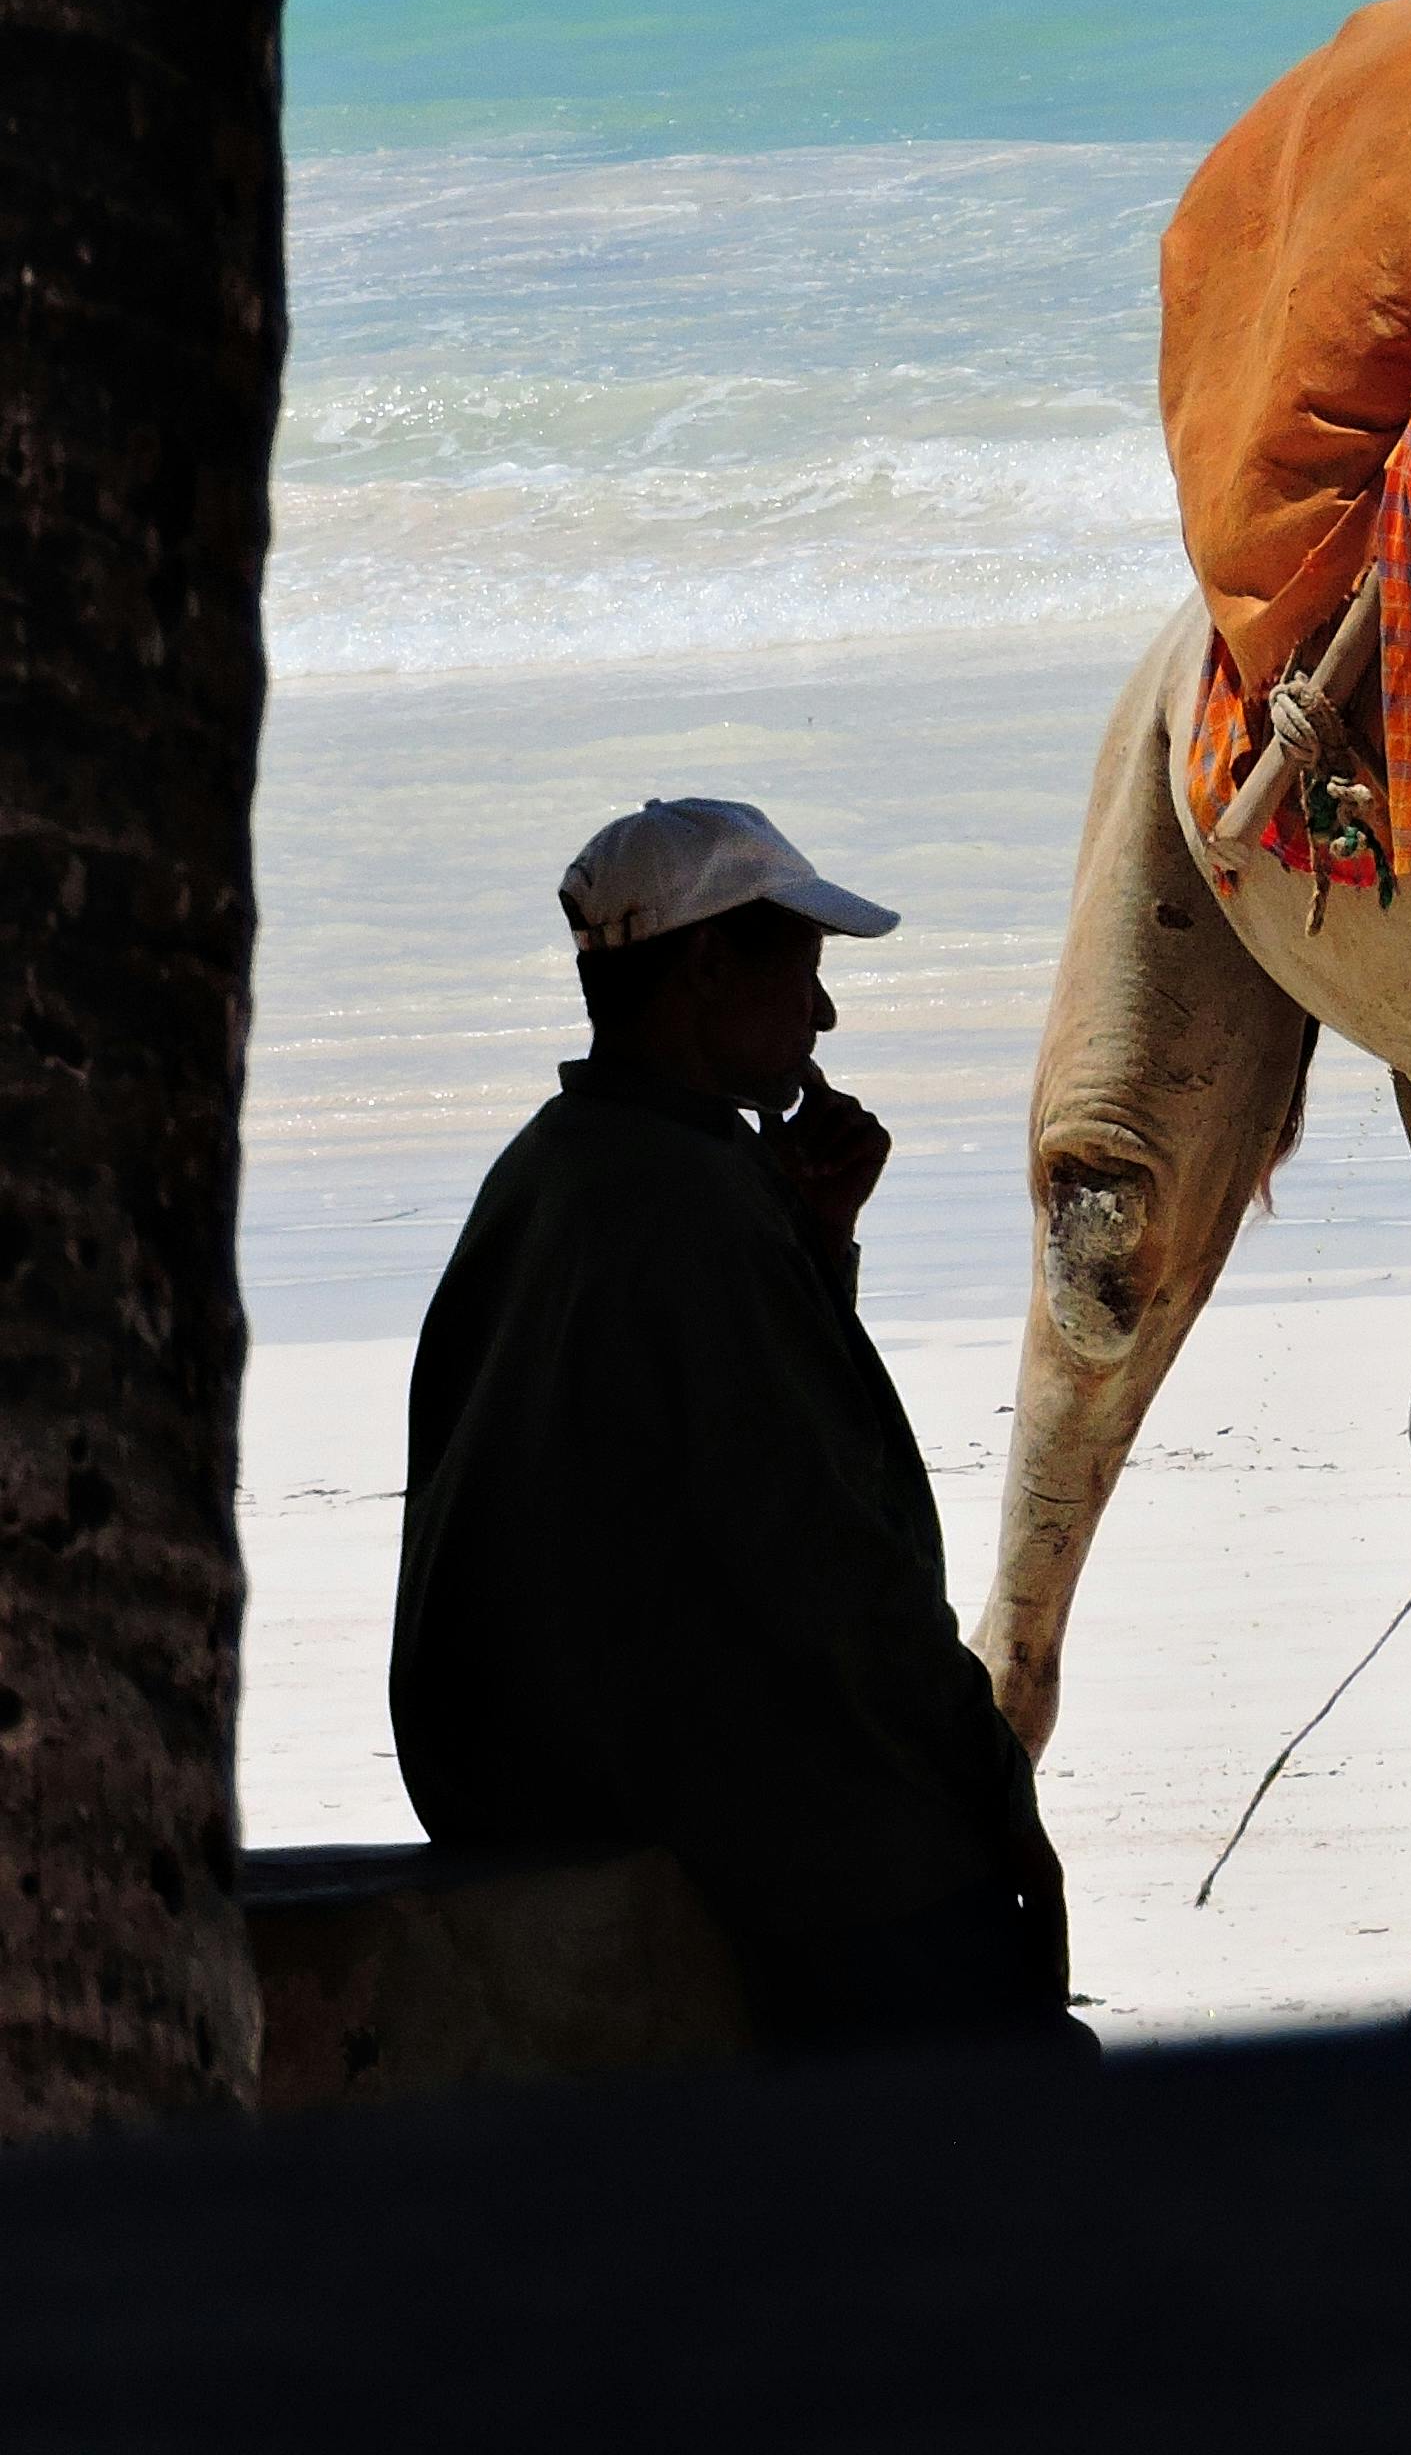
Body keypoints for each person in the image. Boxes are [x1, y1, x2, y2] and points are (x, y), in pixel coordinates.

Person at [391, 797, 1082, 2057]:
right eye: (804, 977)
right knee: (1006, 2035)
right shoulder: (688, 1209)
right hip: (698, 1798)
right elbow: (828, 1561)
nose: (821, 1020)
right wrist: (991, 1773)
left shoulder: (558, 1167)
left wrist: (815, 1245)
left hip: (540, 1766)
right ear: (706, 966)